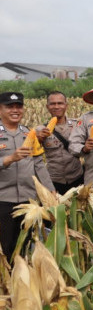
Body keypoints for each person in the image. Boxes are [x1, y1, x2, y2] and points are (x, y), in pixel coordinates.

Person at [0, 91, 55, 257]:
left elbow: (39, 164)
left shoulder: (28, 133)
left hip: (28, 201)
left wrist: (50, 190)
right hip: (3, 201)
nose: (15, 110)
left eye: (19, 106)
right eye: (10, 107)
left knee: (26, 246)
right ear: (0, 109)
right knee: (6, 247)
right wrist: (9, 158)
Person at [36, 91, 84, 194]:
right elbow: (33, 156)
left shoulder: (78, 125)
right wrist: (38, 140)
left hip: (77, 178)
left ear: (66, 106)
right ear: (47, 106)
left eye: (60, 103)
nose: (56, 106)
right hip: (54, 181)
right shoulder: (40, 130)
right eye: (53, 104)